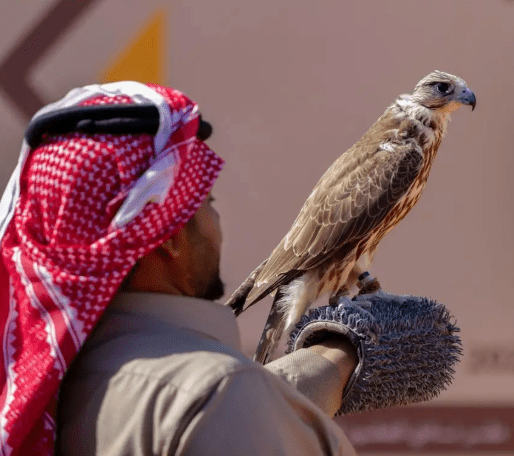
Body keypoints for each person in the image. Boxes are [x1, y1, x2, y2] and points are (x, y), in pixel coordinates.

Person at [0, 82, 358, 455]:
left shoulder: (32, 384)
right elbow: (213, 407)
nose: (217, 221)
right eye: (207, 202)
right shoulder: (219, 396)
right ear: (168, 237)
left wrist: (340, 358)